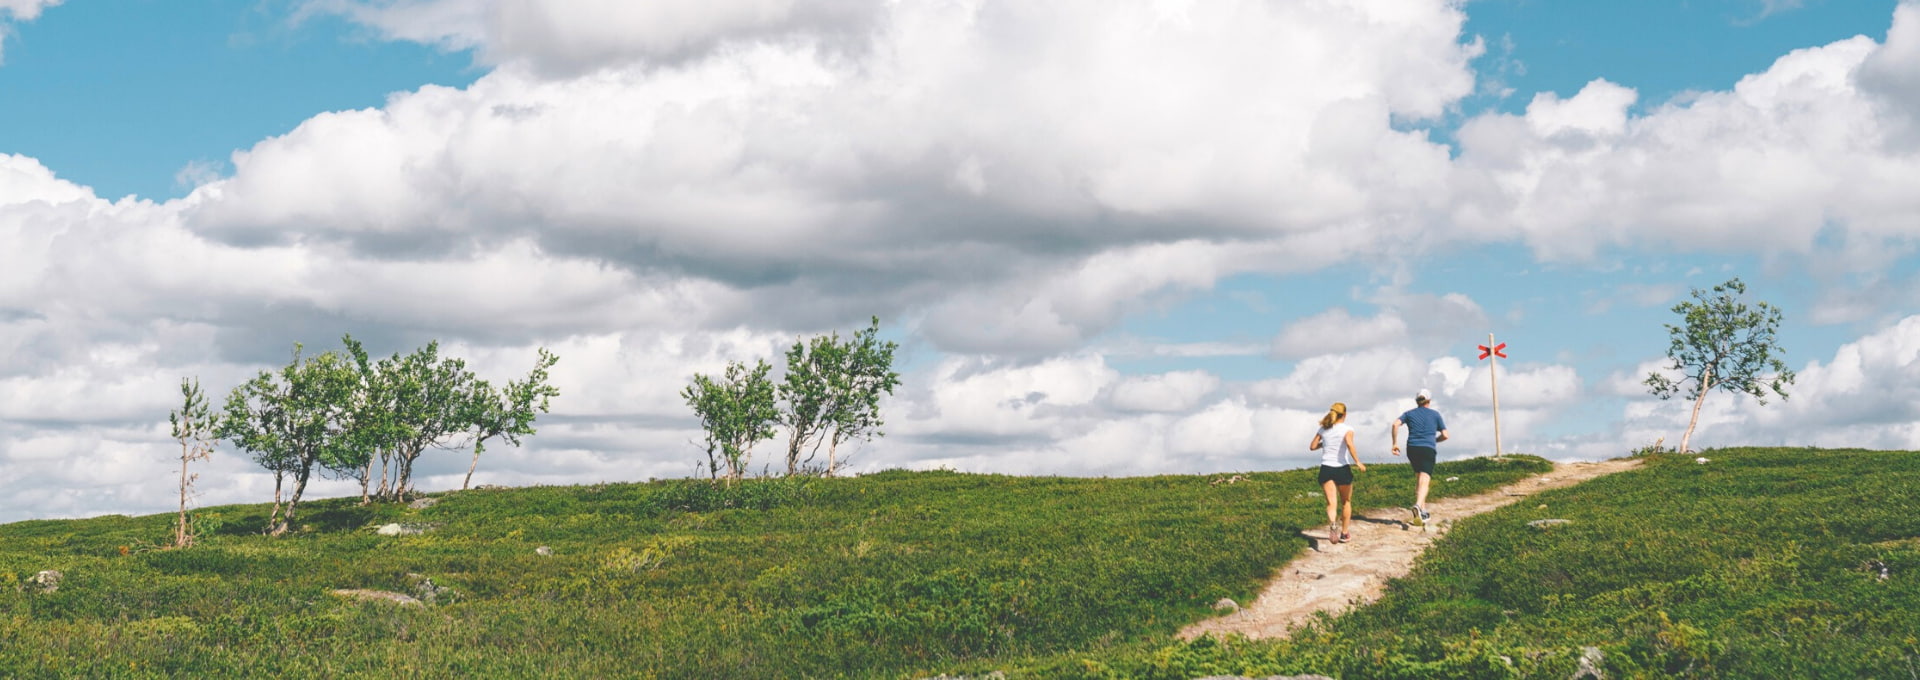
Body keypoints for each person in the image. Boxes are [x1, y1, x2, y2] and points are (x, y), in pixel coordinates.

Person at [1309, 402, 1366, 544]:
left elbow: (1312, 446)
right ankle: (1345, 533)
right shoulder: (1347, 429)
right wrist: (1357, 461)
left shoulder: (1323, 428)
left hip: (1326, 468)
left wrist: (1325, 444)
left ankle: (1333, 524)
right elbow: (1349, 443)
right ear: (1345, 414)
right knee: (1346, 502)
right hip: (1342, 468)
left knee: (1331, 503)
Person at [1391, 388, 1448, 525]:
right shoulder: (1435, 415)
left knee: (1418, 478)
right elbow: (1445, 435)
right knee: (1425, 478)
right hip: (1427, 448)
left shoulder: (1409, 414)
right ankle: (1417, 505)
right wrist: (1435, 440)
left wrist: (1394, 443)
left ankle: (1422, 511)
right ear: (1429, 400)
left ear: (1417, 401)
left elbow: (1395, 424)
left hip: (1412, 448)